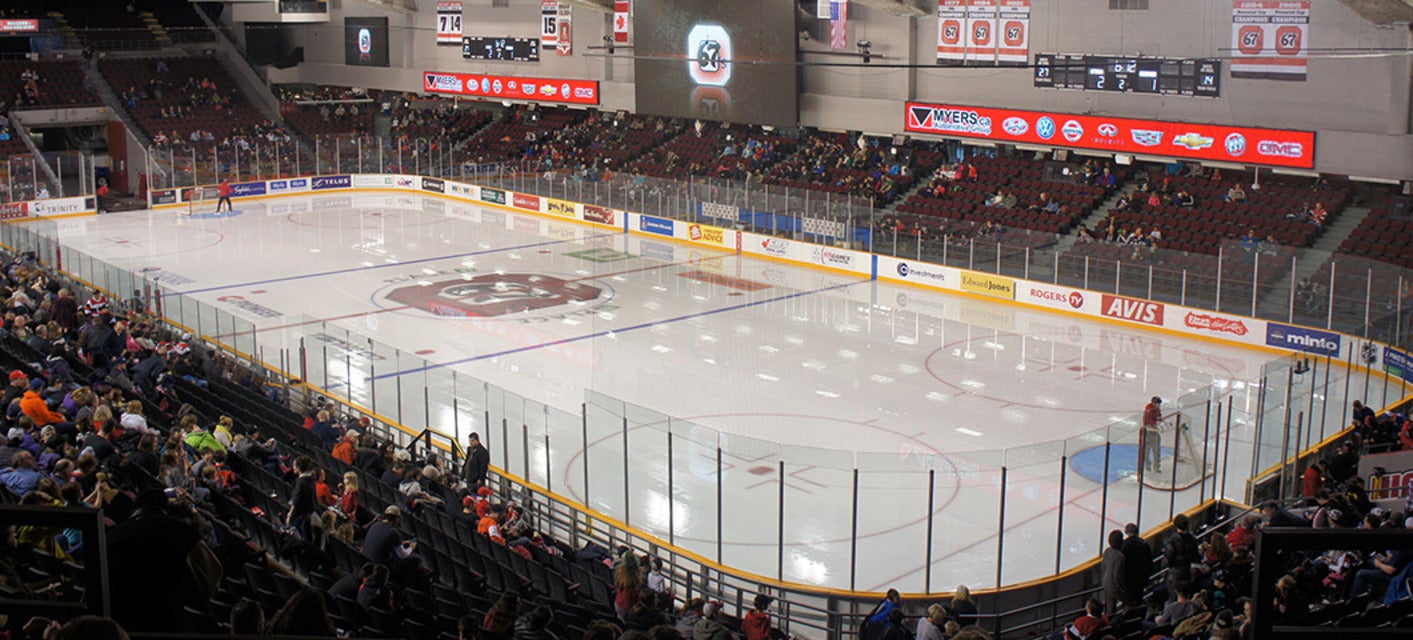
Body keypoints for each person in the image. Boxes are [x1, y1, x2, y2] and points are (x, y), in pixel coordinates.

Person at [1120, 523, 1152, 607]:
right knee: (1138, 598)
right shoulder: (1144, 544)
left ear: (1126, 532)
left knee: (1128, 600)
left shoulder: (1124, 545)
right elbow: (1149, 563)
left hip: (1128, 579)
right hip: (1140, 578)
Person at [1100, 530, 1126, 614]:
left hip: (1106, 583)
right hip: (1114, 586)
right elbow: (1116, 575)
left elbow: (1103, 567)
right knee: (1127, 602)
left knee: (1109, 607)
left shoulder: (1107, 551)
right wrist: (1122, 588)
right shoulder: (1120, 556)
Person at [1141, 396, 1163, 474]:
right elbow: (1148, 421)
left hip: (1154, 431)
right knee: (1146, 450)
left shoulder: (1157, 409)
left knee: (1157, 449)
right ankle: (1147, 466)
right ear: (1154, 403)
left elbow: (1159, 416)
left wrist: (1160, 421)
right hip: (1148, 431)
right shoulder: (1149, 410)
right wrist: (1155, 423)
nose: (1158, 406)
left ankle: (1156, 466)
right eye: (1157, 404)